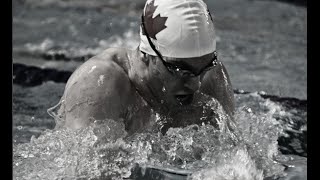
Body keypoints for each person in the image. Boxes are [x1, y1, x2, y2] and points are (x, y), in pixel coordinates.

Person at [48, 0, 235, 135]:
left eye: (204, 67)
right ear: (146, 55)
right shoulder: (100, 83)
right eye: (180, 70)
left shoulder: (213, 76)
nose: (195, 84)